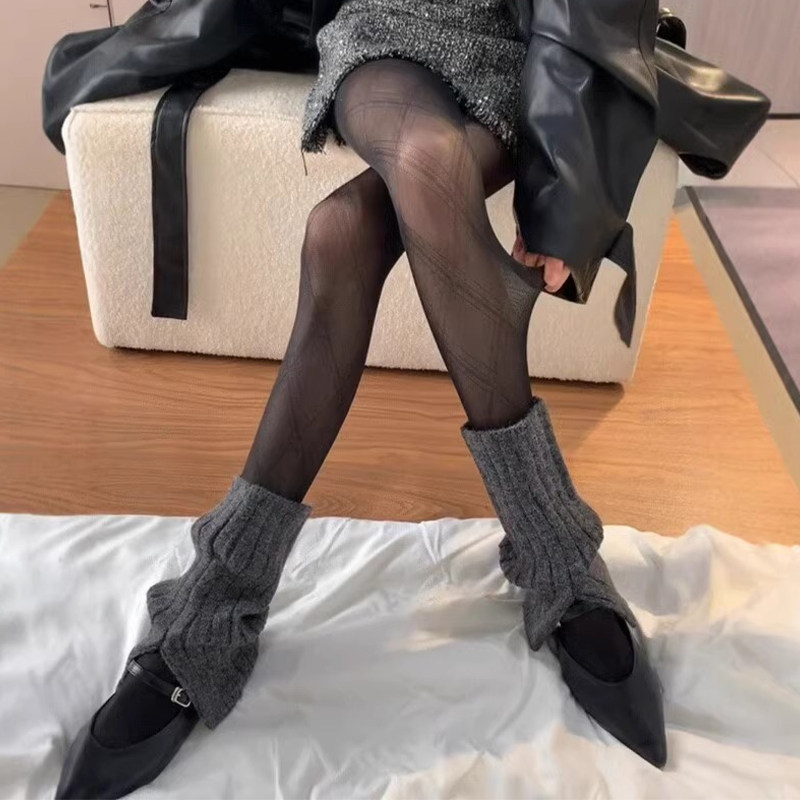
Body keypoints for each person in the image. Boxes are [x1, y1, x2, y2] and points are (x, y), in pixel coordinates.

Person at [54, 1, 754, 796]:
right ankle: (556, 553)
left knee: (341, 233)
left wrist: (569, 191)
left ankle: (216, 600)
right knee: (419, 159)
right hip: (385, 29)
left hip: (523, 44)